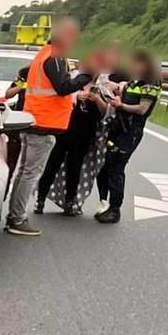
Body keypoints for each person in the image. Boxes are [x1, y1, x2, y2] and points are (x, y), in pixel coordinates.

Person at [5, 18, 94, 236]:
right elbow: (63, 87)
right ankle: (17, 218)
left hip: (36, 121)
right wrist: (86, 76)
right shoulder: (54, 56)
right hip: (43, 124)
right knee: (30, 174)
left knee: (25, 172)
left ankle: (14, 216)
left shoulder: (45, 54)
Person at [35, 45, 121, 215]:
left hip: (84, 135)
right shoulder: (72, 80)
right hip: (63, 131)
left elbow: (108, 113)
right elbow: (59, 96)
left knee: (75, 169)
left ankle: (70, 202)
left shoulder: (102, 87)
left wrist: (97, 99)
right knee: (52, 166)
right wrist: (76, 96)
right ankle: (40, 200)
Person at [93, 50, 163, 224]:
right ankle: (107, 203)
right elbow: (123, 92)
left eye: (136, 63)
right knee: (108, 165)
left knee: (117, 167)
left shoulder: (150, 85)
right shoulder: (133, 83)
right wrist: (115, 92)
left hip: (131, 131)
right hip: (118, 128)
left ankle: (115, 209)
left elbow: (142, 109)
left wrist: (120, 104)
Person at [2, 67, 28, 197]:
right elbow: (8, 94)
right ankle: (4, 194)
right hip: (18, 125)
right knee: (10, 164)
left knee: (28, 169)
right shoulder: (24, 76)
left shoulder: (50, 78)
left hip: (36, 126)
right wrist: (21, 87)